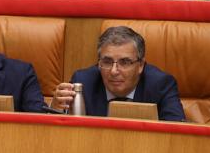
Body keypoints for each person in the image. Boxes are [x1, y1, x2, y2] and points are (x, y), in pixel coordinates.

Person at [50, 26, 185, 121]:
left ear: (141, 65)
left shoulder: (161, 85)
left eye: (125, 62)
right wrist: (57, 108)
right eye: (107, 62)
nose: (114, 71)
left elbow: (177, 133)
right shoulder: (83, 81)